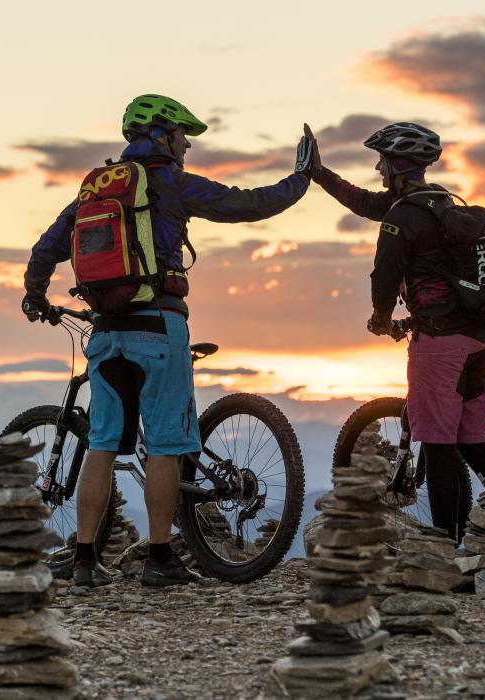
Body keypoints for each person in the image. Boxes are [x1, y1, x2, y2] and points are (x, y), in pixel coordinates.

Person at [22, 94, 315, 586]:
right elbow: (248, 204)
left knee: (101, 444)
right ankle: (159, 559)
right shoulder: (171, 183)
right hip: (158, 326)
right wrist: (301, 180)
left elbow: (45, 248)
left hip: (106, 333)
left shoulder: (96, 190)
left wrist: (34, 295)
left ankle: (85, 560)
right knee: (163, 446)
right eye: (183, 136)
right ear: (162, 135)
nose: (186, 146)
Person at [303, 121, 485, 540]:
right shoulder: (441, 203)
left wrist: (380, 319)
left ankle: (445, 548)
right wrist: (320, 174)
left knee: (439, 445)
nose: (378, 168)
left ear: (398, 164)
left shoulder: (402, 217)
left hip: (441, 342)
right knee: (471, 441)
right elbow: (366, 203)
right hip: (482, 338)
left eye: (382, 161)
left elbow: (385, 276)